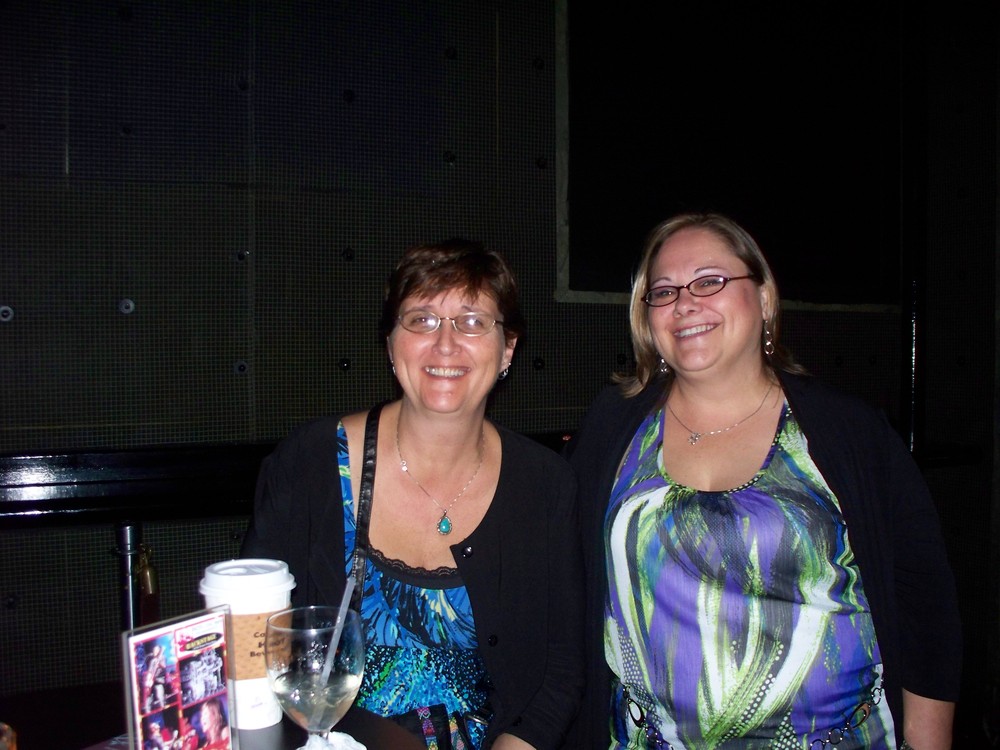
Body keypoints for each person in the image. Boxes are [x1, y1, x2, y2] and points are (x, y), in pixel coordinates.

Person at [564, 213, 961, 749]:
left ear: (765, 298)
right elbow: (560, 572)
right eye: (664, 291)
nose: (685, 303)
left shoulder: (846, 431)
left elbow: (924, 601)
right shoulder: (613, 425)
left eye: (710, 281)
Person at [242, 239, 584, 750]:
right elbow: (254, 644)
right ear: (390, 343)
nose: (445, 344)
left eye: (472, 322)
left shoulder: (546, 484)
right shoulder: (309, 464)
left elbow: (561, 669)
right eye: (421, 320)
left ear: (508, 349)